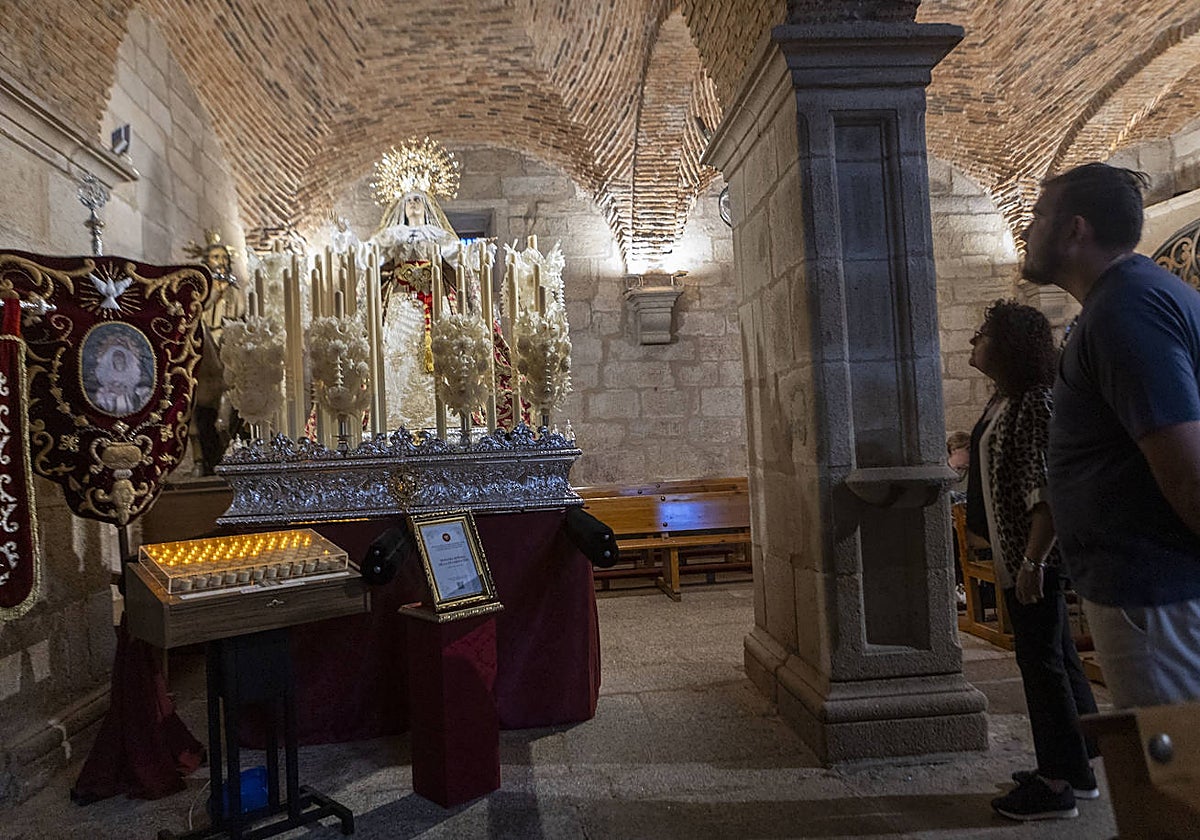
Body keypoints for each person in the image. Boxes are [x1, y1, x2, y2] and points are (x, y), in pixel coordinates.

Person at [1024, 162, 1200, 710]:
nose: (1027, 230)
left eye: (1037, 216)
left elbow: (1184, 463)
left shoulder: (1126, 310)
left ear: (1076, 229)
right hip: (1151, 587)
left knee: (1174, 777)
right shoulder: (1132, 297)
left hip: (1154, 593)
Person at [967, 300, 1098, 821]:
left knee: (1040, 664)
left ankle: (1057, 782)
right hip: (1018, 553)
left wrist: (1032, 561)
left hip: (1033, 556)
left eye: (982, 334)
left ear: (1009, 345)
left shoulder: (1037, 402)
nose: (972, 341)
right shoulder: (1008, 399)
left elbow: (1047, 491)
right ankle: (1080, 762)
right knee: (1056, 654)